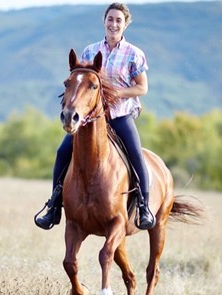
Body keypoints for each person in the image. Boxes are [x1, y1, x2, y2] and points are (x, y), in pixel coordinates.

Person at [35, 2, 156, 230]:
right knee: (62, 152)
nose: (114, 24)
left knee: (135, 153)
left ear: (125, 24)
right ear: (104, 21)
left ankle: (144, 206)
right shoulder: (90, 51)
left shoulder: (134, 54)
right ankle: (53, 207)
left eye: (118, 20)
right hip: (90, 119)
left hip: (119, 115)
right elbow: (80, 84)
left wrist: (117, 93)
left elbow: (142, 88)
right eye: (110, 19)